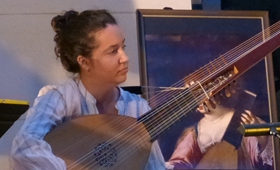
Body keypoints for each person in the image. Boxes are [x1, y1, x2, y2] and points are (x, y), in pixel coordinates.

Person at [10, 9, 165, 169]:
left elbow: (155, 166)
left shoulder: (137, 108)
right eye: (113, 51)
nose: (124, 58)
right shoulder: (60, 99)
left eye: (123, 47)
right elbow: (24, 147)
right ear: (84, 62)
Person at [166, 95, 273, 170]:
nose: (198, 100)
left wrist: (261, 135)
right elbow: (180, 162)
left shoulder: (243, 119)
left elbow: (263, 159)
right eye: (195, 96)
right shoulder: (194, 132)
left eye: (203, 93)